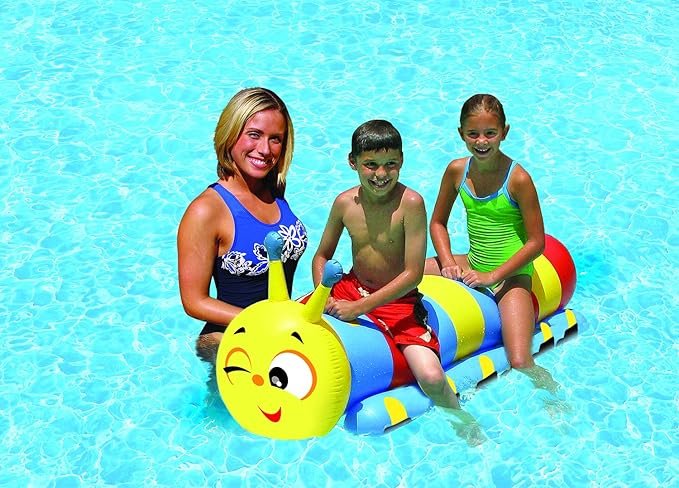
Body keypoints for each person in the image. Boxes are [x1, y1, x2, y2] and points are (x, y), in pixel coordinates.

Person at [312, 119, 463, 413]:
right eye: (370, 164)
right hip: (351, 288)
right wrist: (324, 294)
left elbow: (413, 275)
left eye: (390, 164)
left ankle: (463, 423)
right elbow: (321, 256)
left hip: (398, 301)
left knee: (431, 377)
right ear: (353, 162)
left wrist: (359, 308)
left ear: (401, 161)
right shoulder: (344, 204)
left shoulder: (411, 203)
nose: (381, 174)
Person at [426, 93, 557, 392]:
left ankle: (554, 398)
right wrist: (447, 262)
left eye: (490, 133)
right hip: (472, 262)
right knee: (401, 275)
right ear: (461, 133)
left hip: (511, 277)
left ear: (504, 132)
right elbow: (437, 223)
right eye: (473, 134)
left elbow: (537, 243)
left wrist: (492, 277)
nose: (481, 141)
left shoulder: (518, 179)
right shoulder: (457, 171)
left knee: (520, 360)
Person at [177, 87, 307, 364]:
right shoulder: (206, 211)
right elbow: (194, 301)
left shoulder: (272, 188)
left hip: (280, 333)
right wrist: (266, 323)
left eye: (275, 139)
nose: (265, 149)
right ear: (230, 133)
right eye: (254, 134)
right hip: (230, 342)